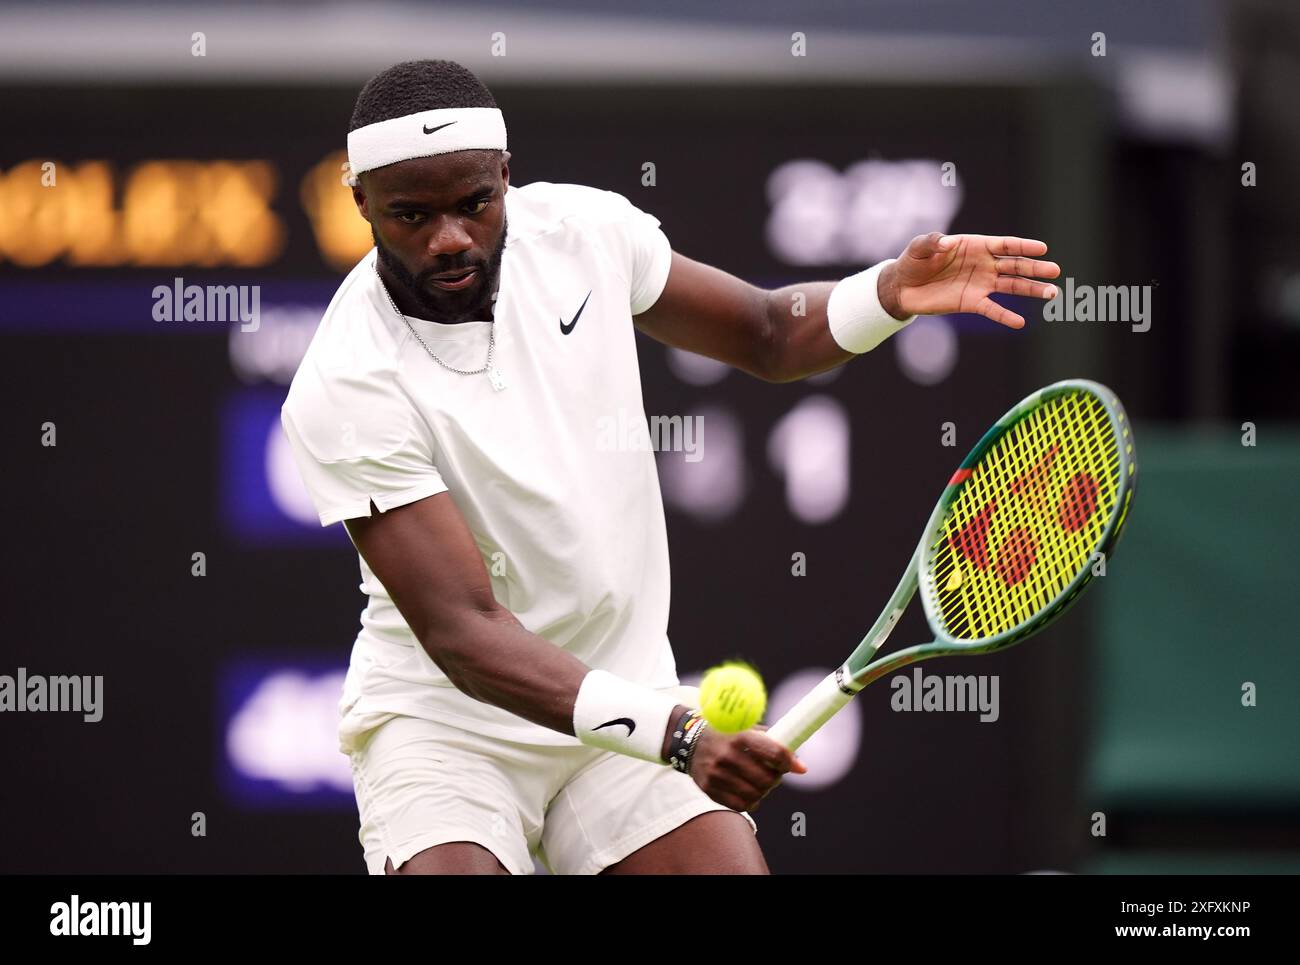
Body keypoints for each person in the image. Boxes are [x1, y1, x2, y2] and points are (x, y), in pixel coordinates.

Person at [281, 59, 1061, 875]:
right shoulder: (345, 381)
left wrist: (888, 292)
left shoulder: (587, 234)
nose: (450, 238)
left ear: (507, 176)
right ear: (360, 200)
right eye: (411, 213)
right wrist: (680, 735)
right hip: (450, 727)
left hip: (622, 689)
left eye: (474, 202)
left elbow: (765, 331)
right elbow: (464, 634)